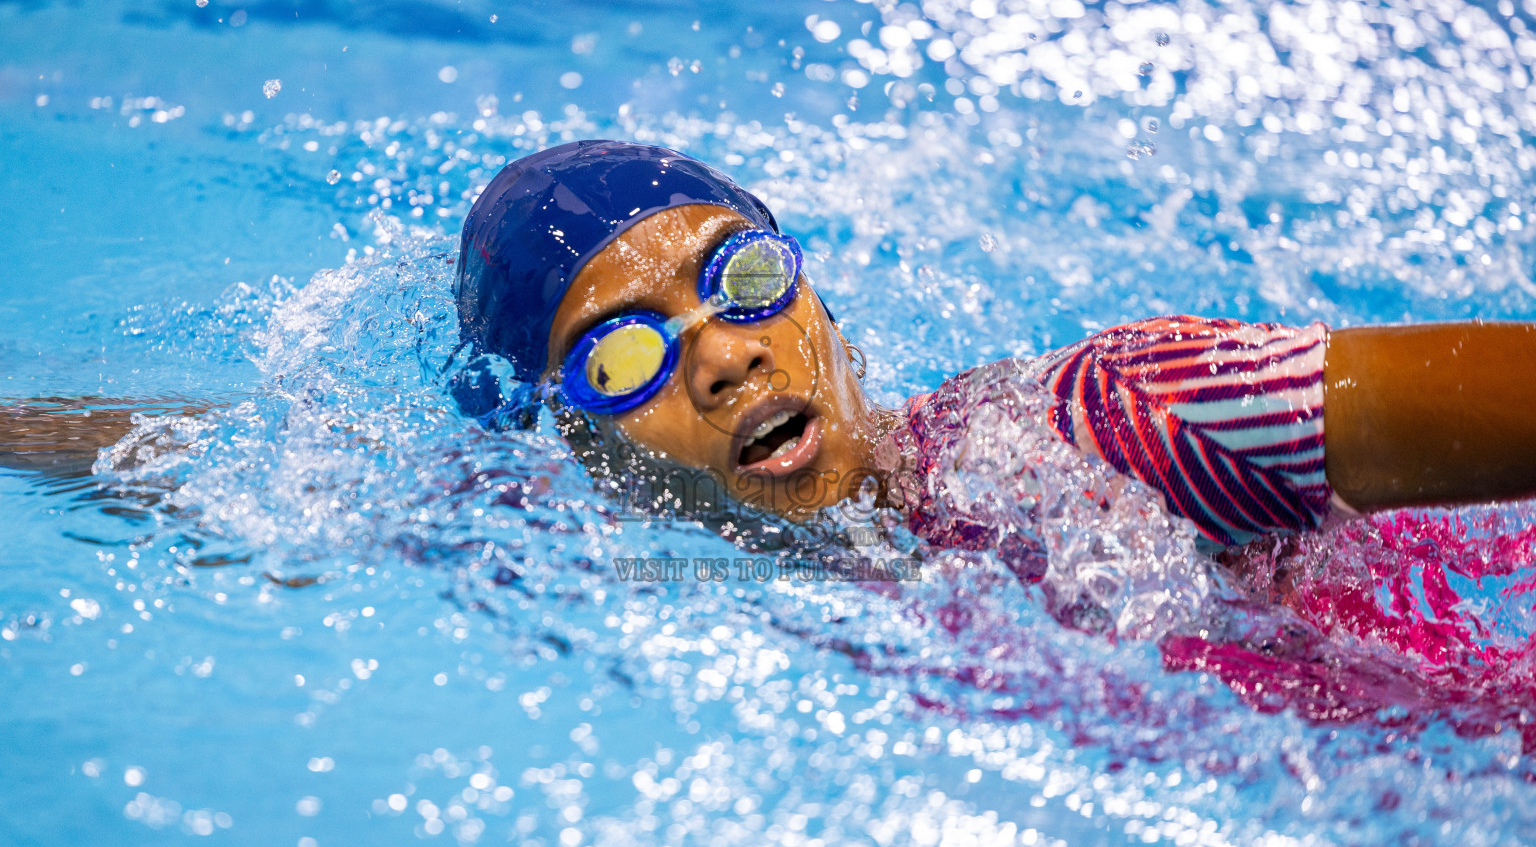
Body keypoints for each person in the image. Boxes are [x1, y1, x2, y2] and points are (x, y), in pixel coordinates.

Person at [453, 139, 1536, 558]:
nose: (725, 360)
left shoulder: (1100, 425)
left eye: (744, 281)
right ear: (583, 457)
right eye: (619, 357)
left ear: (823, 312)